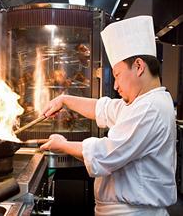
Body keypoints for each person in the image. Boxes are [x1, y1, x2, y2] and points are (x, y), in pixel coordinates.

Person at [40, 15, 177, 216]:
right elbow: (102, 108)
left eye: (117, 75)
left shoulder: (150, 108)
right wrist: (64, 99)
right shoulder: (143, 102)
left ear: (139, 67)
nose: (115, 85)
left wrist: (62, 144)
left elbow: (106, 153)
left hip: (134, 212)